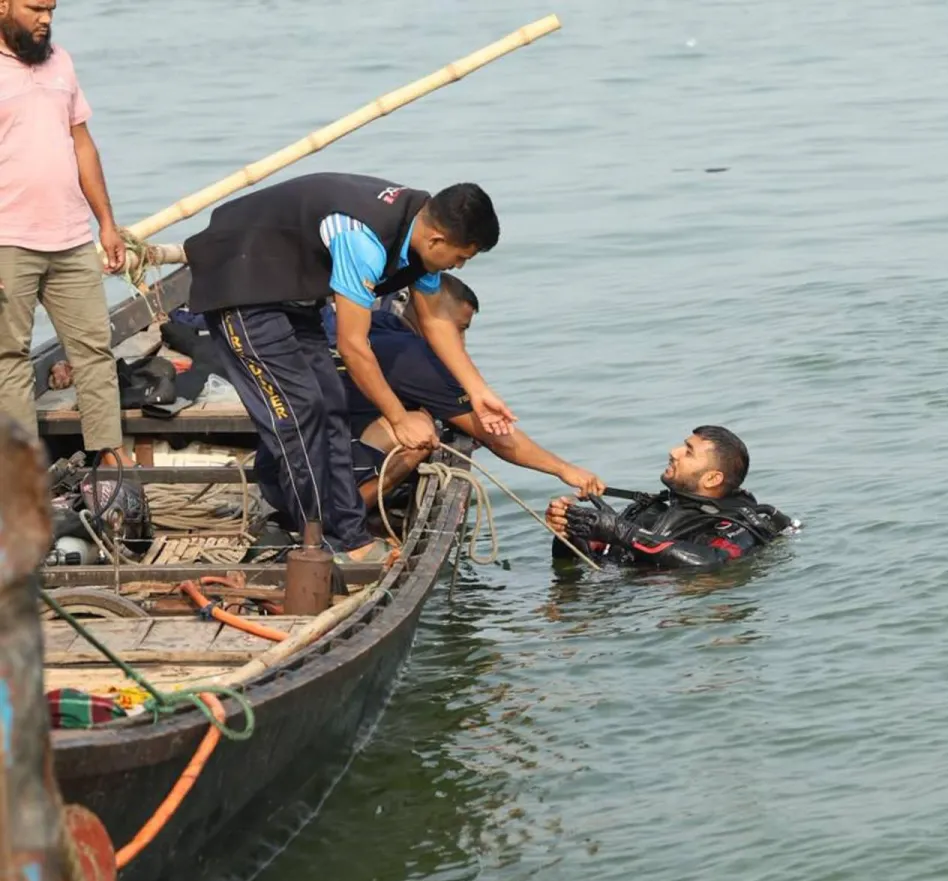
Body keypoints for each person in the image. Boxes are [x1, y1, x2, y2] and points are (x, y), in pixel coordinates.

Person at [181, 171, 516, 563]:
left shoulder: (419, 230)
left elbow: (436, 321)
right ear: (437, 240)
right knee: (300, 411)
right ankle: (314, 546)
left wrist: (478, 391)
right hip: (240, 279)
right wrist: (396, 416)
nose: (459, 267)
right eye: (462, 257)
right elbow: (353, 346)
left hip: (292, 290)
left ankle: (351, 536)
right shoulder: (365, 242)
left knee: (331, 404)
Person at [321, 274, 605, 507]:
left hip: (307, 439)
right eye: (458, 328)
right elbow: (498, 438)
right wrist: (564, 469)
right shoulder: (415, 357)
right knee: (420, 430)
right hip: (331, 460)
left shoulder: (381, 325)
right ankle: (348, 514)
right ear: (431, 315)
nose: (461, 342)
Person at [0, 0, 128, 458]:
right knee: (9, 358)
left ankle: (112, 465)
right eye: (35, 8)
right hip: (7, 240)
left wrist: (107, 223)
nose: (46, 18)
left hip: (71, 236)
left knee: (94, 350)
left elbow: (82, 145)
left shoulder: (60, 61)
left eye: (52, 8)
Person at [545, 426, 797, 569]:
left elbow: (709, 561)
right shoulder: (651, 511)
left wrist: (624, 533)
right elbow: (577, 564)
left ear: (712, 479)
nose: (674, 452)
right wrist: (570, 530)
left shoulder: (735, 526)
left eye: (688, 452)